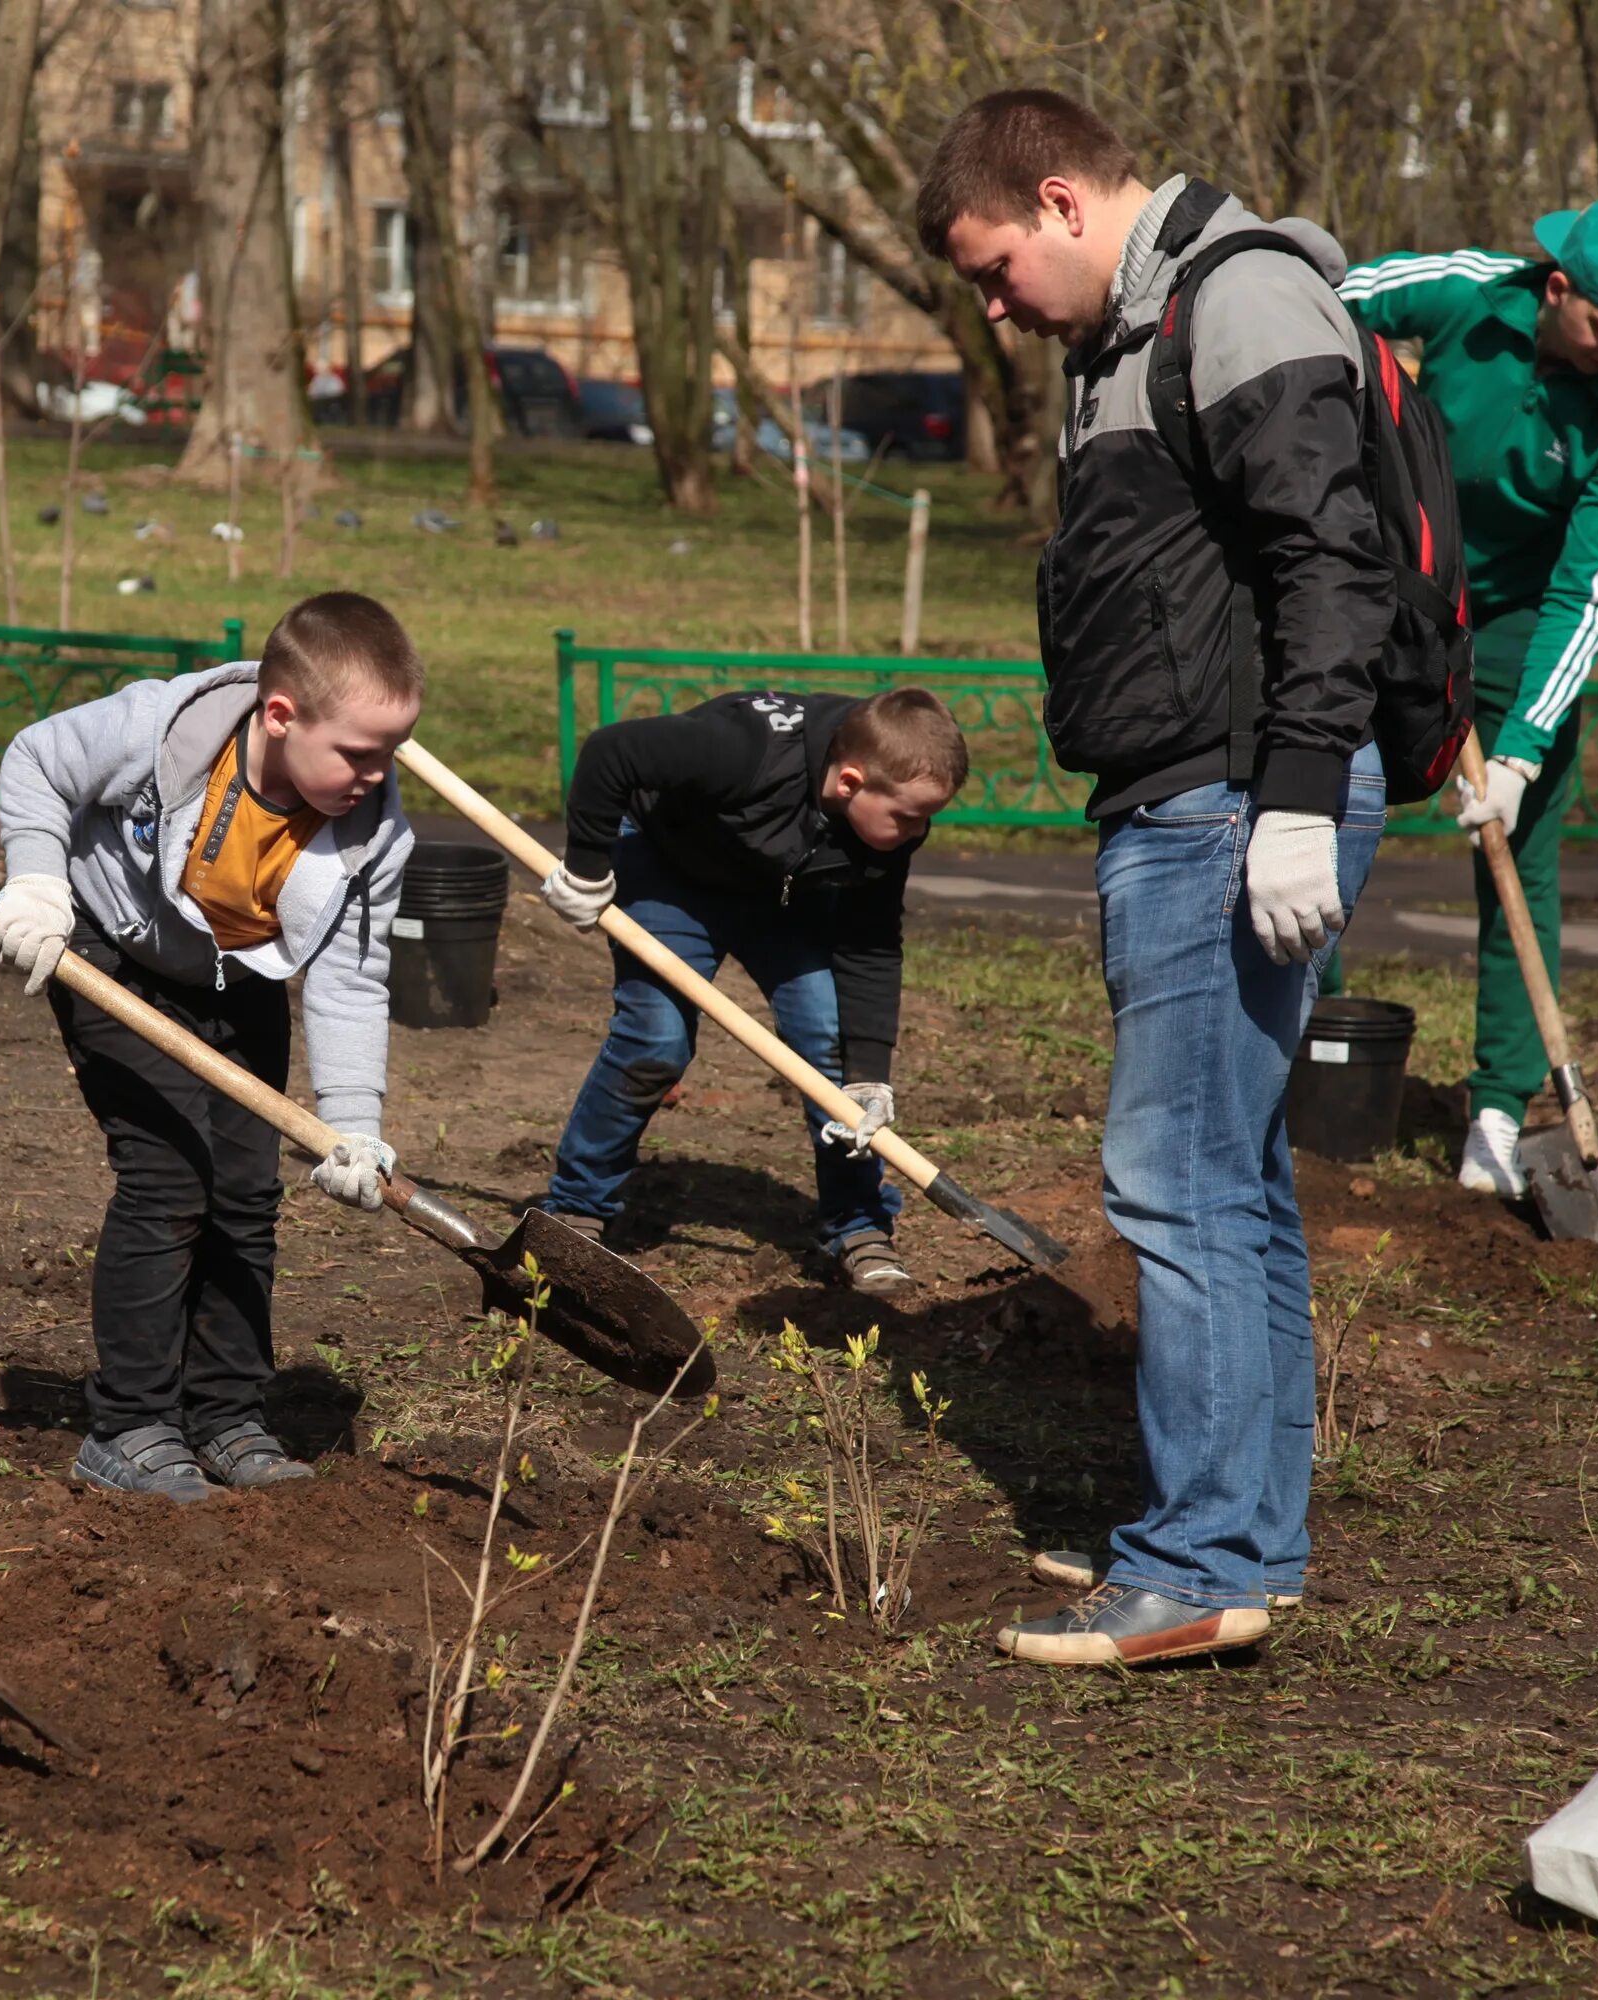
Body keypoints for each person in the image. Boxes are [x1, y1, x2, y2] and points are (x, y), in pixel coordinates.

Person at [919, 89, 1392, 1666]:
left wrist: (1303, 796)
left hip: (1234, 802)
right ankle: (1247, 1541)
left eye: (994, 268)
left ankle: (1193, 1567)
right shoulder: (1123, 340)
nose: (993, 306)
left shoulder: (1237, 296)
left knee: (1174, 1183)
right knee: (1236, 1183)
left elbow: (1330, 551)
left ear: (1061, 201)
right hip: (1199, 793)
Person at [0, 593, 419, 1501]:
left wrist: (351, 1124)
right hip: (114, 953)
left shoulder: (373, 832)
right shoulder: (162, 729)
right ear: (280, 714)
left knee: (246, 1190)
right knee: (168, 1176)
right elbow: (36, 760)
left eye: (391, 754)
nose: (376, 777)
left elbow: (348, 981)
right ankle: (130, 1426)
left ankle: (226, 1417)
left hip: (240, 978)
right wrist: (34, 880)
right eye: (358, 753)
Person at [1339, 194, 1598, 1197]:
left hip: (1514, 625)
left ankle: (1496, 1107)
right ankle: (1295, 1041)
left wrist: (1525, 746)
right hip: (1386, 581)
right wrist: (1359, 398)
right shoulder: (1467, 291)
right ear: (1558, 287)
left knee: (1515, 857)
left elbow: (1587, 592)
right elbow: (1325, 298)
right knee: (1316, 796)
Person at [531, 687, 967, 1293]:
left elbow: (869, 944)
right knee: (653, 1042)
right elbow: (612, 751)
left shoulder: (887, 828)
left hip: (779, 893)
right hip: (669, 872)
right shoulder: (745, 750)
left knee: (829, 1042)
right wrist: (585, 865)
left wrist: (870, 1073)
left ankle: (859, 1225)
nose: (919, 830)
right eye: (909, 815)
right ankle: (576, 1207)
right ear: (848, 782)